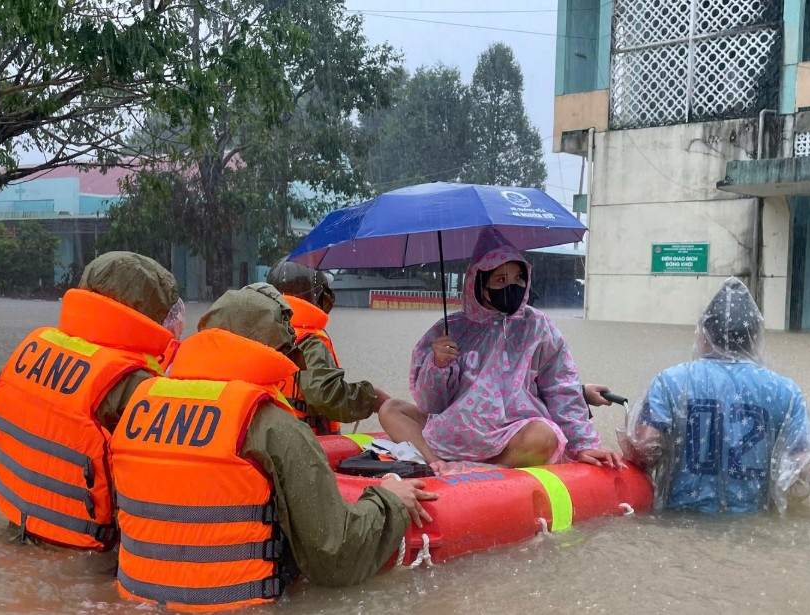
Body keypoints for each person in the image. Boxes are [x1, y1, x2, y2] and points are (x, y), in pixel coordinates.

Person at [110, 284, 437, 611]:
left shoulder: (139, 405)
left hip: (133, 599)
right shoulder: (273, 426)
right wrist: (389, 498)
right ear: (275, 352)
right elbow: (336, 552)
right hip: (240, 604)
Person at [0, 251, 184, 550]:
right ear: (148, 316)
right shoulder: (133, 385)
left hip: (17, 529)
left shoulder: (31, 347)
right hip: (87, 552)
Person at [379, 229, 623, 472]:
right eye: (501, 280)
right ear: (480, 284)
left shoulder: (538, 327)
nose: (512, 286)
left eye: (518, 278)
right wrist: (438, 365)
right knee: (391, 409)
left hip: (510, 432)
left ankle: (484, 469)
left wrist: (584, 444)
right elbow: (431, 404)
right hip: (452, 432)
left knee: (545, 435)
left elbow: (561, 387)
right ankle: (435, 462)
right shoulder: (450, 330)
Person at [619, 277, 810, 514]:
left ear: (704, 334)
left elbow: (643, 447)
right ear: (755, 338)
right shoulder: (785, 392)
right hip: (751, 525)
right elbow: (807, 469)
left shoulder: (671, 381)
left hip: (680, 519)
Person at [266, 258, 390, 434]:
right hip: (302, 442)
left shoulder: (257, 332)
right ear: (315, 297)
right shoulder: (308, 342)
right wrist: (371, 398)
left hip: (267, 439)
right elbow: (326, 396)